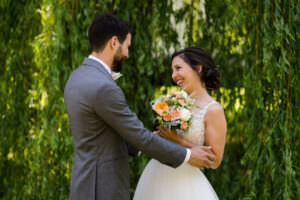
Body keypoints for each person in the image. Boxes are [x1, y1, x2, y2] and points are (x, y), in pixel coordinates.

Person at [64, 14, 216, 200]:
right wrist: (187, 155)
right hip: (102, 189)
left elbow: (99, 133)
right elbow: (138, 136)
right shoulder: (103, 86)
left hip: (84, 184)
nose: (127, 54)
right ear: (114, 42)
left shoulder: (76, 77)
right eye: (127, 46)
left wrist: (146, 141)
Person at [133, 47, 227, 200]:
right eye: (172, 70)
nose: (174, 75)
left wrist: (177, 140)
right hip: (156, 177)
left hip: (186, 184)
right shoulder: (173, 102)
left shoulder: (213, 110)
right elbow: (164, 139)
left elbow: (214, 160)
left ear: (198, 68)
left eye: (178, 68)